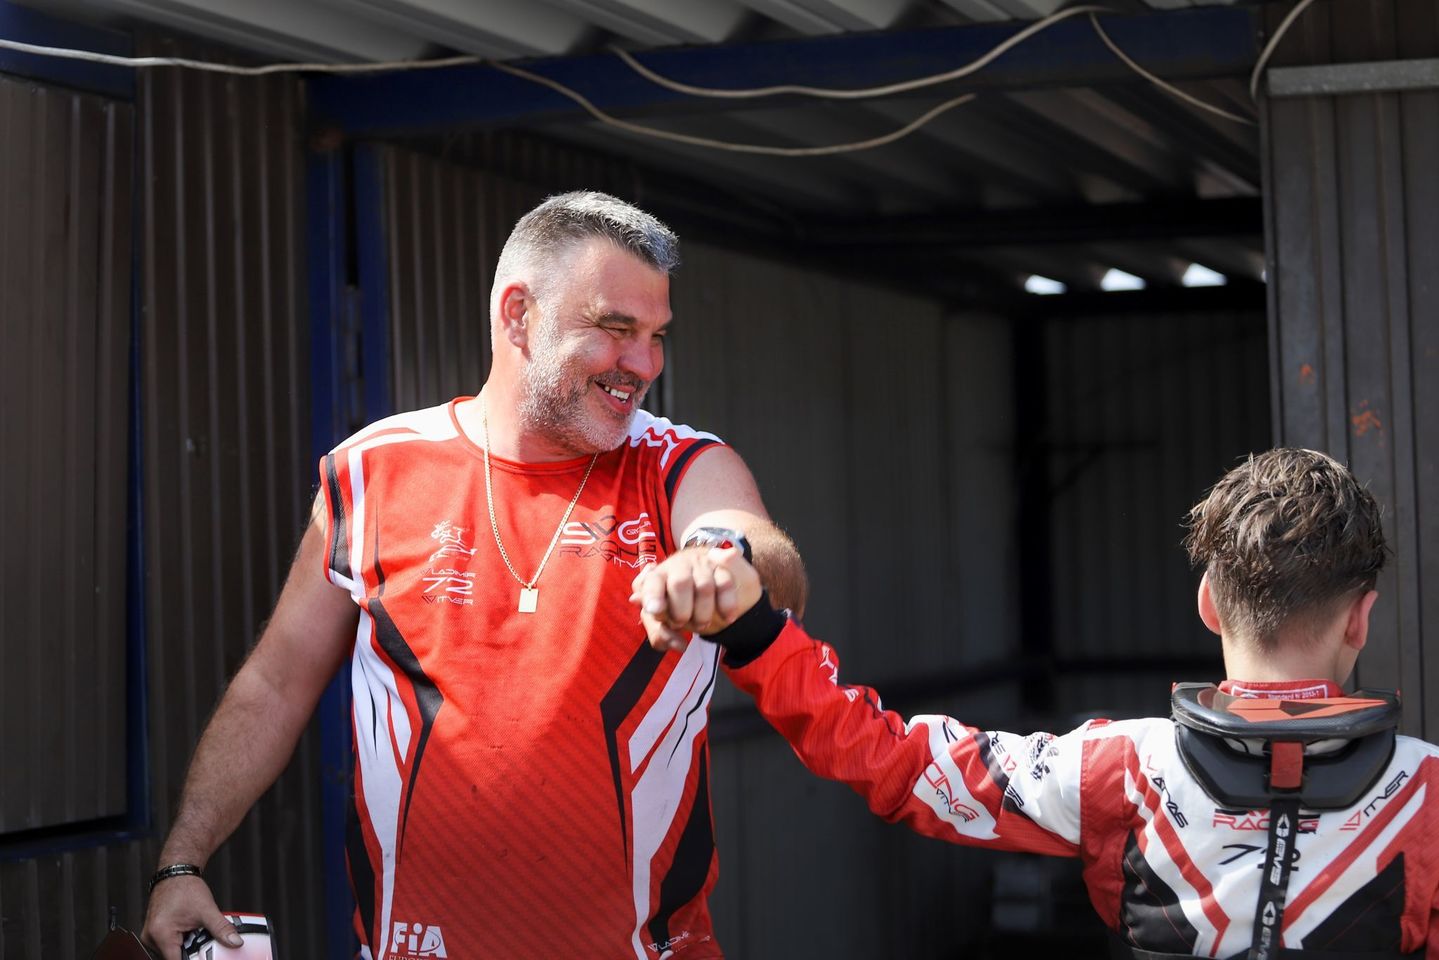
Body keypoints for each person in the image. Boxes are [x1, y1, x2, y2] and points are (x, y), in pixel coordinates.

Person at [141, 191, 807, 960]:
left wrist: (718, 559)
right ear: (518, 314)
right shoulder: (373, 470)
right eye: (615, 329)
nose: (644, 364)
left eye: (656, 336)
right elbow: (275, 682)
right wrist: (182, 862)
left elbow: (766, 556)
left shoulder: (679, 464)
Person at [651, 448, 1439, 957]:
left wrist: (754, 633)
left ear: (1206, 603)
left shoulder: (1117, 768)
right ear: (1360, 618)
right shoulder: (1427, 793)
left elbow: (892, 760)